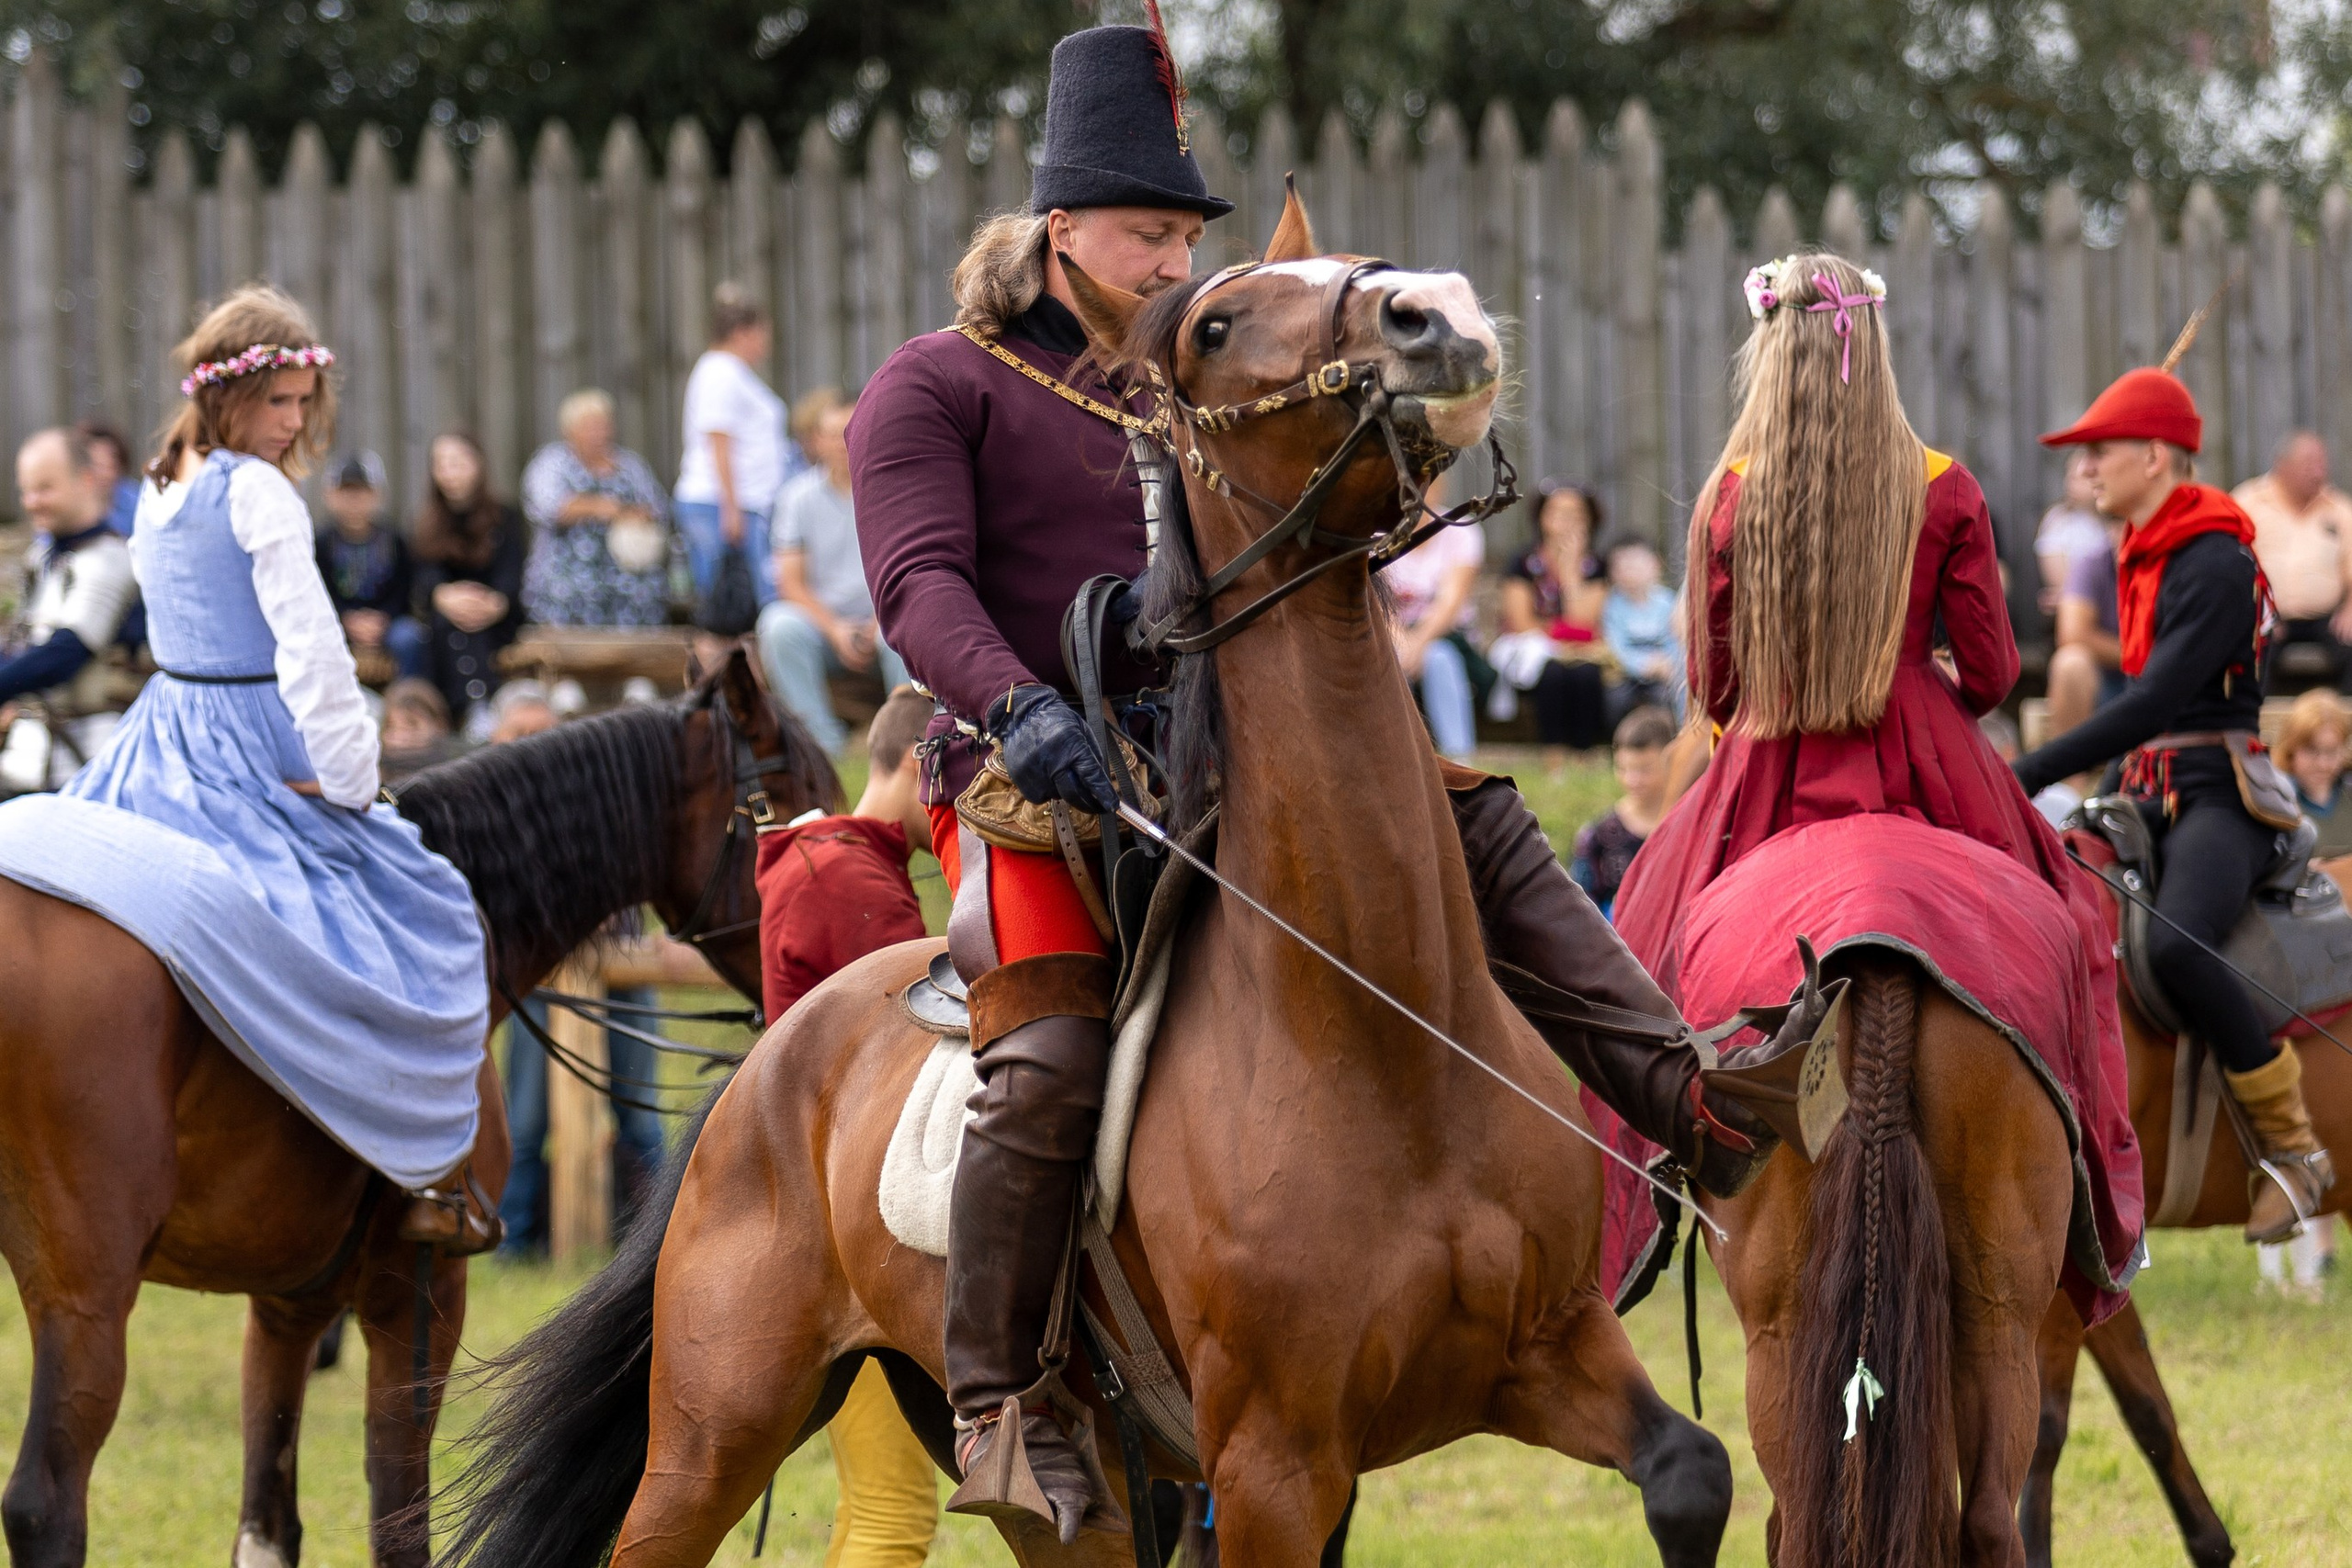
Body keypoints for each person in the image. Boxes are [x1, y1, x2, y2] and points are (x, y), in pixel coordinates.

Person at [850, 25, 1832, 1539]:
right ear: (1058, 232)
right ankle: (1002, 1401)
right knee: (1041, 1056)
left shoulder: (1198, 378)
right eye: (1142, 232)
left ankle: (1701, 1102)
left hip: (1244, 754)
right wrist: (1015, 704)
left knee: (1481, 828)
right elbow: (915, 586)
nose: (1170, 256)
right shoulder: (938, 384)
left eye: (1186, 233)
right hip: (1035, 772)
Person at [0, 284, 498, 1251]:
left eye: (305, 403)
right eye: (278, 401)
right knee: (413, 907)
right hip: (247, 744)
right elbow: (311, 650)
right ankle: (417, 1174)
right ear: (228, 395)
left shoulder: (156, 480)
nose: (294, 422)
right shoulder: (257, 490)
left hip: (163, 738)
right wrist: (354, 782)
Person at [2013, 367, 2333, 1242]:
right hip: (2145, 793)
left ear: (2155, 456)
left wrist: (2025, 772)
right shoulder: (2144, 549)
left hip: (2216, 796)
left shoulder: (2216, 562)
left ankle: (2294, 1149)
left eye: (2102, 452)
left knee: (2178, 945)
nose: (2087, 470)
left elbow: (2152, 705)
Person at [754, 686, 943, 1568]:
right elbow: (921, 1044)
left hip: (823, 1218)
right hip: (856, 1238)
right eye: (945, 776)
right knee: (894, 1513)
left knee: (871, 1506)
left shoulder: (831, 862)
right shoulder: (852, 880)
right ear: (913, 763)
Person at [755, 388, 910, 755]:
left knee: (911, 621)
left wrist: (877, 621)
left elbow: (909, 568)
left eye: (851, 430)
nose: (843, 442)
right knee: (778, 625)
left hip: (884, 620)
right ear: (817, 440)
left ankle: (907, 741)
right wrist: (836, 630)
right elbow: (789, 582)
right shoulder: (797, 497)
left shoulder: (894, 489)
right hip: (823, 628)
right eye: (833, 433)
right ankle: (822, 745)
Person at [0, 428, 139, 791]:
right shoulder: (46, 556)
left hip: (89, 758)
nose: (32, 502)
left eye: (45, 488)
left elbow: (66, 651)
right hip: (36, 751)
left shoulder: (109, 559)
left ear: (87, 480)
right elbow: (22, 645)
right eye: (26, 490)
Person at [675, 282, 789, 612]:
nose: (765, 344)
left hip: (744, 503)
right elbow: (719, 441)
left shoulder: (733, 373)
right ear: (741, 332)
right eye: (761, 334)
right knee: (726, 606)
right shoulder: (719, 373)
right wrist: (731, 508)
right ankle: (718, 664)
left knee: (743, 604)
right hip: (719, 505)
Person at [520, 389, 673, 628]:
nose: (598, 433)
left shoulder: (630, 465)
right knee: (566, 592)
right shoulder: (552, 462)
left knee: (649, 591)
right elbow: (548, 507)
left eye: (602, 425)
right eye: (588, 426)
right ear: (568, 431)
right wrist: (603, 507)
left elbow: (658, 509)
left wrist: (633, 514)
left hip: (627, 574)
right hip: (567, 574)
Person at [1488, 480, 1614, 768]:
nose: (1566, 522)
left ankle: (1583, 754)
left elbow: (1585, 620)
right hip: (1535, 650)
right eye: (1557, 513)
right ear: (1542, 518)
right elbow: (1521, 622)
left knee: (1586, 673)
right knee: (1554, 672)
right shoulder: (1522, 562)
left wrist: (1570, 573)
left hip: (1581, 652)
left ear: (1590, 521)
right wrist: (1563, 634)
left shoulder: (1596, 566)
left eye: (1576, 514)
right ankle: (1553, 756)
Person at [413, 431, 527, 732]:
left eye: (457, 462)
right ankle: (472, 706)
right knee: (448, 628)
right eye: (441, 464)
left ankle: (470, 709)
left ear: (478, 465)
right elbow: (424, 577)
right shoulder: (427, 522)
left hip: (497, 618)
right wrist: (444, 596)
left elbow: (512, 575)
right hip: (445, 617)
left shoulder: (504, 517)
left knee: (466, 629)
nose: (449, 472)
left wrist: (494, 603)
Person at [2235, 431, 2352, 690]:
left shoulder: (2340, 509)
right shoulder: (2248, 502)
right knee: (2247, 651)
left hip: (2327, 618)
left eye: (2322, 463)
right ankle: (2255, 725)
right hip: (2263, 614)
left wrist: (2350, 608)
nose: (2318, 472)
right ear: (2282, 465)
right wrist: (2255, 612)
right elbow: (2231, 564)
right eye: (2309, 464)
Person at [315, 449, 426, 679]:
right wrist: (346, 618)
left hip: (388, 624)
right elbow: (318, 591)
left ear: (378, 495)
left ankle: (408, 702)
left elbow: (403, 589)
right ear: (330, 496)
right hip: (335, 623)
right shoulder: (321, 543)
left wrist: (382, 619)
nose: (354, 500)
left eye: (362, 492)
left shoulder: (394, 540)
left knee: (410, 638)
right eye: (346, 492)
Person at [1385, 519, 1486, 759]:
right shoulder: (1372, 533)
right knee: (1391, 661)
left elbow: (1451, 602)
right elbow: (1372, 600)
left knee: (1439, 657)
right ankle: (1397, 757)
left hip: (1447, 636)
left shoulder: (1460, 530)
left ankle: (1460, 759)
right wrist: (1401, 642)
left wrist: (1417, 643)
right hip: (1389, 636)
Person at [1570, 705, 1676, 918]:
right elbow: (1582, 910)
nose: (1632, 780)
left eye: (1644, 769)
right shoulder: (1597, 836)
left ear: (1673, 760)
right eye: (1623, 768)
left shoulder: (1688, 827)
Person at [1600, 536, 1683, 719]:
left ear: (1655, 565)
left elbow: (1677, 639)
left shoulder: (1668, 602)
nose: (1629, 573)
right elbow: (1615, 645)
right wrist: (1641, 665)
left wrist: (1669, 663)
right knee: (1615, 698)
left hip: (1664, 670)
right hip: (1625, 673)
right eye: (1622, 567)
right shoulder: (1612, 606)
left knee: (1667, 696)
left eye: (1636, 565)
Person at [2278, 689, 2352, 859]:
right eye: (2312, 750)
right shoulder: (2277, 804)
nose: (2322, 764)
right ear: (2291, 748)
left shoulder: (2349, 795)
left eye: (2332, 751)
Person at [2036, 449, 2108, 616]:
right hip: (2074, 612)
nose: (2070, 482)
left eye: (2080, 478)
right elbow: (2058, 579)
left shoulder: (2113, 522)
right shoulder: (2058, 520)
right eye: (2068, 475)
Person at [379, 676, 458, 781]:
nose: (400, 736)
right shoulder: (374, 775)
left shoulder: (456, 773)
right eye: (390, 727)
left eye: (412, 725)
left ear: (440, 725)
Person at [74, 419, 141, 536]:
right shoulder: (68, 500)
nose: (105, 474)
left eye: (111, 466)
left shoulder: (137, 501)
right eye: (97, 466)